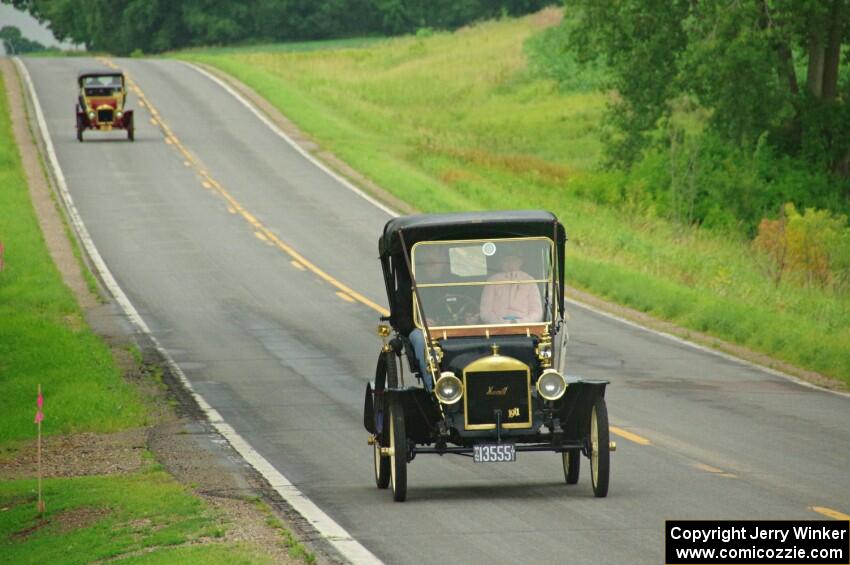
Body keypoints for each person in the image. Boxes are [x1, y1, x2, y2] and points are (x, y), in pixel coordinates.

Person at [479, 252, 543, 324]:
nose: (510, 263)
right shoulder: (492, 280)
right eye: (506, 260)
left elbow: (537, 312)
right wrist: (502, 322)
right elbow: (485, 312)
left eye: (514, 260)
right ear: (500, 262)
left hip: (525, 327)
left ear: (520, 262)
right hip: (497, 328)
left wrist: (521, 322)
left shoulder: (529, 280)